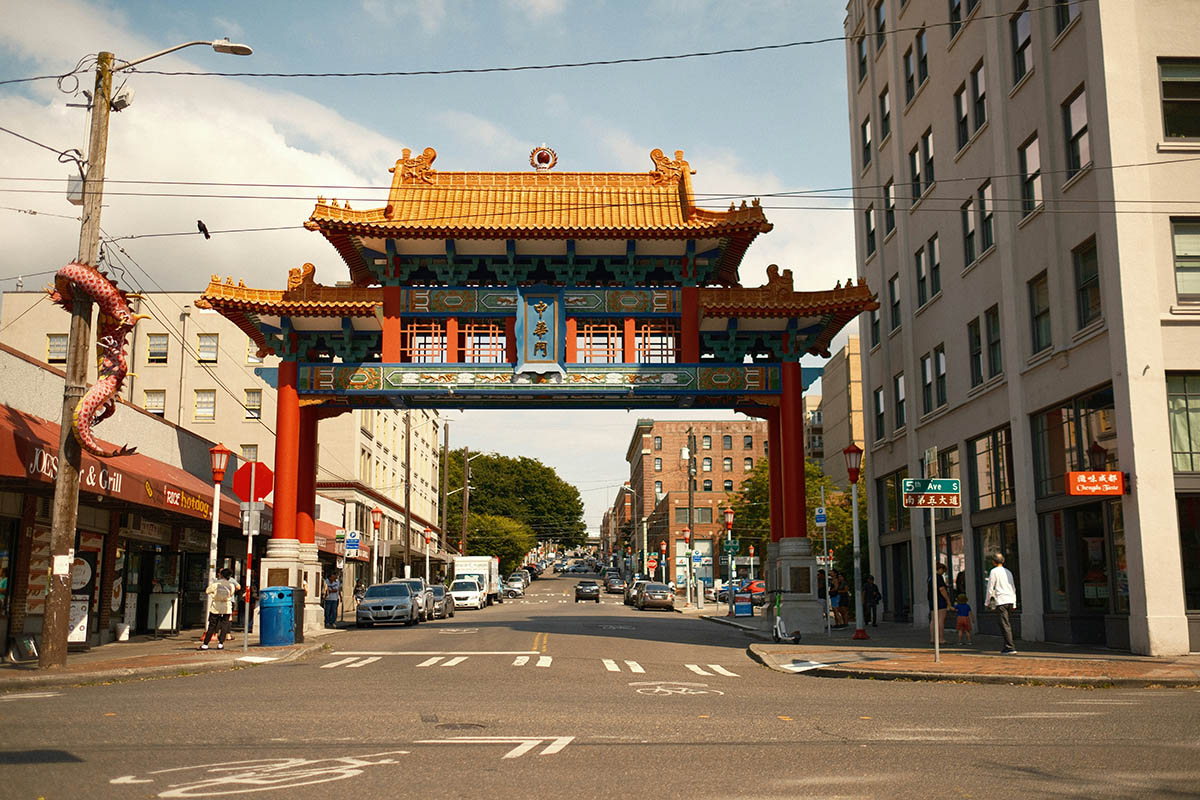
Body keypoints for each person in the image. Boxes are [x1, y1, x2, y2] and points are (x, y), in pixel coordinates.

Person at [985, 553, 1018, 654]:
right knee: (1007, 623)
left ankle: (1010, 647)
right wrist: (1014, 602)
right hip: (1010, 599)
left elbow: (990, 588)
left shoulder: (994, 572)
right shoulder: (1008, 572)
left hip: (1001, 600)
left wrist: (987, 602)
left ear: (993, 562)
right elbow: (1013, 587)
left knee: (1004, 624)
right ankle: (1008, 645)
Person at [200, 568, 240, 650]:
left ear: (221, 575)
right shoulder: (231, 585)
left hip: (216, 606)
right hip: (227, 607)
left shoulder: (216, 584)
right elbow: (232, 593)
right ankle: (221, 643)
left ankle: (205, 644)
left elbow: (207, 591)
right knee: (225, 625)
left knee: (212, 625)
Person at [928, 563, 951, 644]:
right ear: (940, 569)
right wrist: (948, 600)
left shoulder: (930, 577)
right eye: (943, 571)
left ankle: (932, 638)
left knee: (933, 619)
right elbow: (942, 589)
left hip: (932, 600)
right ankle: (941, 639)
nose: (943, 573)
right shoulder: (938, 577)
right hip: (940, 600)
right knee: (941, 619)